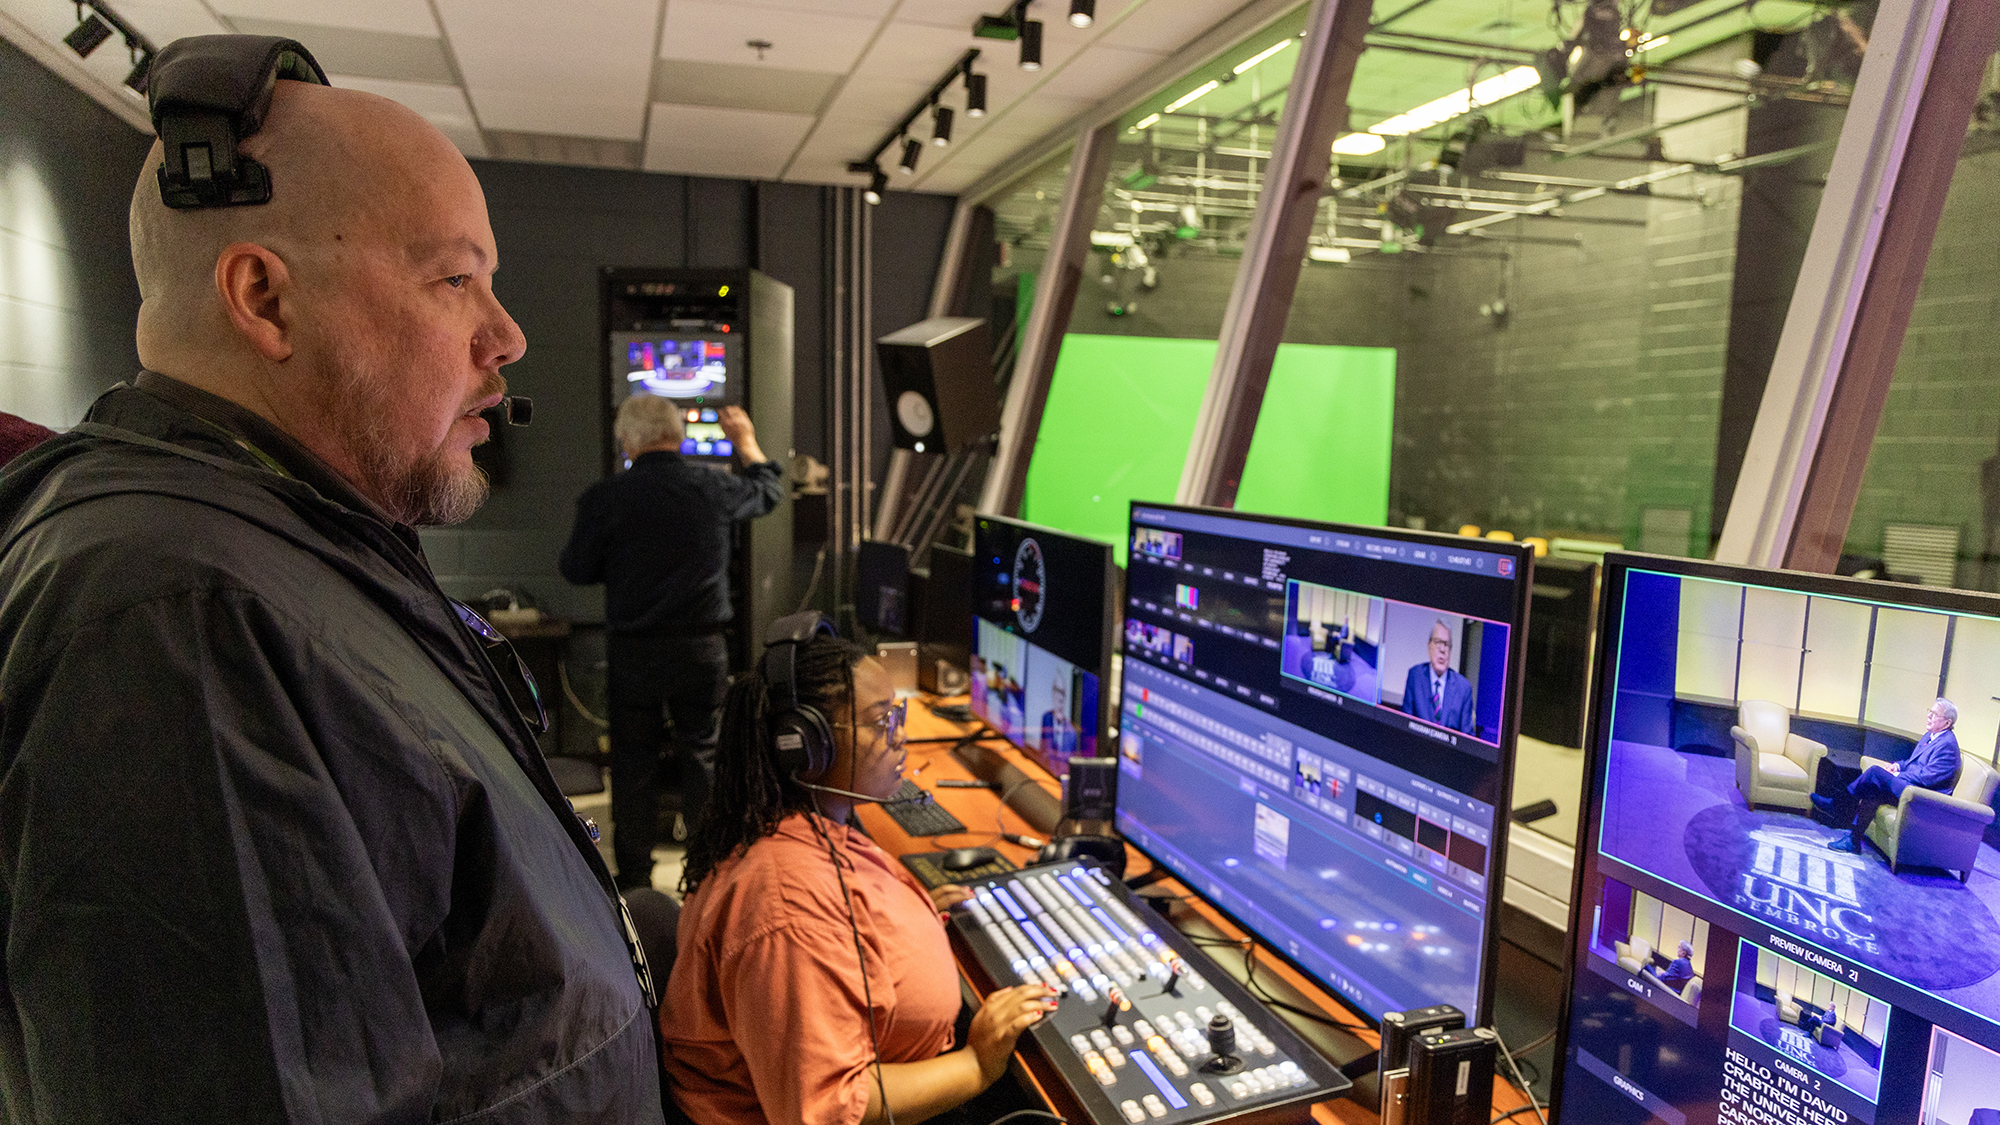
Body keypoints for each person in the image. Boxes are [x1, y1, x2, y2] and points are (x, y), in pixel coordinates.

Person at [0, 47, 661, 1121]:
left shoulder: (282, 548)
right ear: (264, 297)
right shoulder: (182, 625)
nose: (506, 337)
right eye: (455, 280)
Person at [662, 631, 1056, 1125]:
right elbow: (828, 1109)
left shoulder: (806, 822)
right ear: (805, 748)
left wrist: (905, 915)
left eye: (898, 715)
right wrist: (977, 1065)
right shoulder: (787, 907)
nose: (900, 736)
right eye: (880, 721)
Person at [559, 393, 782, 890]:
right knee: (702, 753)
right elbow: (767, 492)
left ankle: (635, 879)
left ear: (628, 440)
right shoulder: (712, 487)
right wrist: (746, 442)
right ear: (678, 436)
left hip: (633, 651)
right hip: (701, 649)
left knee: (632, 760)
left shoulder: (605, 498)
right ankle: (704, 873)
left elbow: (576, 569)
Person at [1815, 697, 1962, 854]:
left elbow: (1927, 777)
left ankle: (1837, 805)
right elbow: (1914, 763)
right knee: (1872, 791)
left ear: (1947, 723)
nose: (1929, 716)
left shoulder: (1947, 745)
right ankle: (1854, 840)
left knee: (1875, 773)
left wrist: (1898, 774)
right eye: (1930, 712)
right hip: (1910, 787)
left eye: (1934, 714)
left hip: (1923, 796)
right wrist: (1898, 765)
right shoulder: (1930, 736)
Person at [1402, 619, 1475, 733]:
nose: (1442, 649)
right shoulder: (1415, 676)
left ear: (1450, 651)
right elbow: (1404, 726)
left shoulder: (1463, 688)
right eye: (1437, 642)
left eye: (1446, 644)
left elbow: (1467, 739)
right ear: (1429, 646)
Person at [1038, 677, 1079, 763]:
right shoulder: (1046, 718)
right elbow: (1042, 750)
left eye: (1063, 693)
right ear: (1053, 694)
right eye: (1058, 692)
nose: (1060, 698)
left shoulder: (1071, 732)